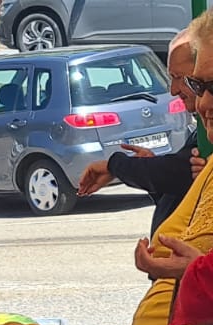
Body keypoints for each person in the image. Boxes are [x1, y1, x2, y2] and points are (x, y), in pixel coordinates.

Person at [128, 10, 213, 325]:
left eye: (203, 82)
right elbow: (173, 238)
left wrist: (193, 271)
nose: (198, 101)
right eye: (195, 83)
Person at [77, 29, 204, 238]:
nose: (173, 90)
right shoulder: (199, 131)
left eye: (180, 78)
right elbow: (179, 181)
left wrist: (115, 165)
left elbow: (178, 170)